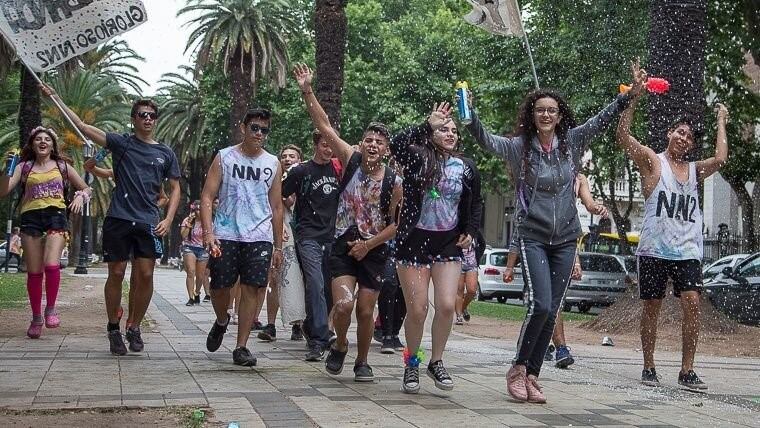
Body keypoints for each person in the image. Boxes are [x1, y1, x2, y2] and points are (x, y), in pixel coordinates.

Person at [465, 70, 635, 402]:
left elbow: (600, 121)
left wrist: (626, 97)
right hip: (533, 237)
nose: (546, 115)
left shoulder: (571, 143)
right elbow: (486, 140)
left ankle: (531, 375)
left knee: (554, 307)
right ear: (532, 115)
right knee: (540, 305)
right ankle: (516, 369)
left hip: (566, 239)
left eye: (552, 110)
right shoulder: (519, 148)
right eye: (540, 109)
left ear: (559, 117)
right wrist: (470, 116)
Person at [42, 85, 182, 356]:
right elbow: (82, 126)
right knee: (116, 273)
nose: (148, 119)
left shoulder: (165, 153)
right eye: (142, 114)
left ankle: (134, 326)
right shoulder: (122, 143)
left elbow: (175, 189)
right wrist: (55, 97)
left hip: (148, 222)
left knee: (146, 274)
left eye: (152, 115)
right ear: (134, 118)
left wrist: (169, 219)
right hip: (118, 218)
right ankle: (113, 327)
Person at [617, 61, 728, 391]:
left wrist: (721, 121)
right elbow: (623, 136)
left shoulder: (695, 171)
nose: (684, 137)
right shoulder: (654, 162)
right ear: (669, 135)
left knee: (692, 303)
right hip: (653, 249)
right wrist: (635, 95)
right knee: (651, 306)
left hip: (686, 252)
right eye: (679, 131)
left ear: (692, 145)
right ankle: (649, 365)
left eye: (690, 136)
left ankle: (687, 369)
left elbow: (721, 159)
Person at [294, 64, 403, 382]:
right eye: (368, 139)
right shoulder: (350, 161)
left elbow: (397, 225)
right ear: (360, 143)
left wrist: (368, 244)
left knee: (366, 310)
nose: (372, 144)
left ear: (386, 150)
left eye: (379, 142)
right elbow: (324, 126)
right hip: (342, 246)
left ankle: (363, 361)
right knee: (342, 305)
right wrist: (307, 90)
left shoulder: (395, 182)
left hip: (374, 250)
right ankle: (340, 344)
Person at [391, 103, 480, 394]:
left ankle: (436, 361)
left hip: (447, 242)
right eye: (444, 129)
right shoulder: (417, 157)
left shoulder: (466, 167)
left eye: (454, 130)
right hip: (414, 241)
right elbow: (396, 144)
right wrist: (427, 124)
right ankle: (412, 362)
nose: (450, 133)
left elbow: (474, 203)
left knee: (445, 305)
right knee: (417, 310)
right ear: (431, 134)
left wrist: (470, 230)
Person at [201, 107, 283, 366]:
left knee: (252, 288)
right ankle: (222, 319)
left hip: (259, 236)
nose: (259, 133)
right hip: (226, 232)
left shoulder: (272, 163)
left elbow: (277, 207)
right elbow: (206, 197)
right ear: (243, 127)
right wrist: (208, 232)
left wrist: (278, 246)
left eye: (264, 130)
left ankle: (241, 346)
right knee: (219, 286)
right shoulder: (224, 157)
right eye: (254, 128)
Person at [503, 173, 608, 369]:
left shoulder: (577, 178)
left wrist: (595, 208)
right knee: (542, 305)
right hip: (535, 243)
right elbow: (519, 228)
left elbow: (583, 213)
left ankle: (553, 352)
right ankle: (524, 362)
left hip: (562, 246)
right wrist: (510, 265)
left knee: (553, 305)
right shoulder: (536, 172)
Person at [0, 126, 92, 338]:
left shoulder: (62, 166)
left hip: (56, 216)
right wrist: (8, 169)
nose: (43, 142)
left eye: (47, 139)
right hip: (30, 217)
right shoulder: (23, 167)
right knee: (34, 272)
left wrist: (80, 196)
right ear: (32, 144)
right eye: (38, 139)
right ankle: (36, 317)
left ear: (53, 145)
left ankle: (50, 309)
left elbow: (86, 188)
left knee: (51, 264)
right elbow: (3, 191)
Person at [83, 157, 171, 330]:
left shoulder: (151, 174)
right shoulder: (118, 172)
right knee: (117, 272)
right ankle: (115, 319)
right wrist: (105, 149)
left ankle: (132, 321)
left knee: (140, 276)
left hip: (144, 224)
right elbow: (89, 167)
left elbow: (164, 198)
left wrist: (149, 206)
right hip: (120, 222)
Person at [282, 129, 341, 361]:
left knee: (328, 287)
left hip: (333, 237)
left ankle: (313, 325)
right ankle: (318, 340)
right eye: (325, 144)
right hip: (307, 236)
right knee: (314, 283)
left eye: (332, 145)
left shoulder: (339, 169)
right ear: (316, 145)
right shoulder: (301, 171)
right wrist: (281, 230)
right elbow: (278, 195)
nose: (329, 149)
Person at [258, 144, 307, 342]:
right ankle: (271, 325)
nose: (287, 159)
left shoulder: (306, 177)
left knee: (301, 278)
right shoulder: (273, 180)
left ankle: (298, 324)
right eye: (284, 156)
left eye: (292, 156)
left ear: (300, 159)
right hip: (280, 230)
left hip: (303, 232)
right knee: (276, 277)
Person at [181, 201, 209, 306]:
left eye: (200, 209)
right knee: (191, 272)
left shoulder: (207, 222)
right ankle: (191, 297)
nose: (199, 212)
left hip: (203, 249)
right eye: (197, 209)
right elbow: (183, 236)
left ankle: (197, 292)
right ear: (193, 210)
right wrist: (188, 224)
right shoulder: (187, 220)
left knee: (200, 275)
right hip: (189, 248)